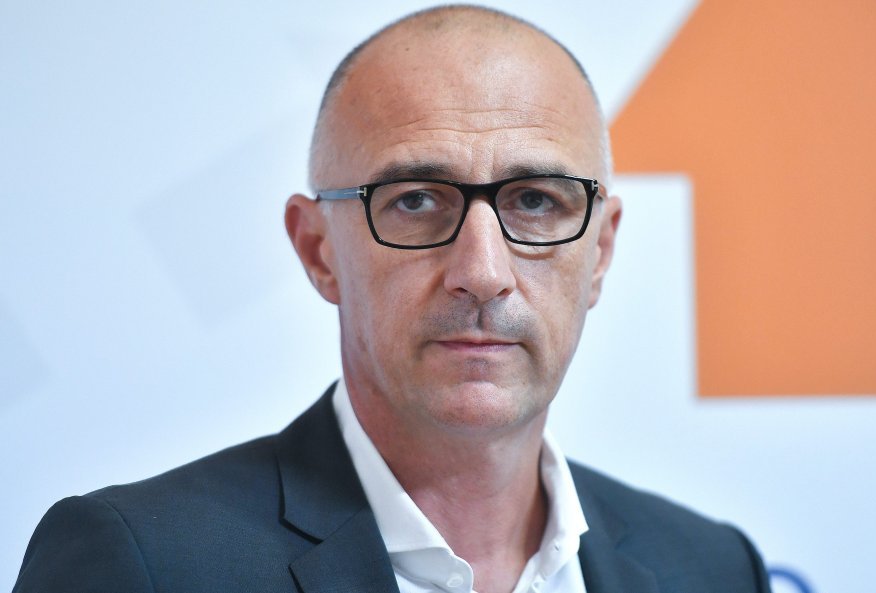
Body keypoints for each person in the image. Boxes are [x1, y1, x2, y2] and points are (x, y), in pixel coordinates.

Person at [14, 5, 770, 593]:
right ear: (318, 250)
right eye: (415, 200)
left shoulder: (710, 568)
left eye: (537, 201)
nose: (483, 272)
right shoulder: (145, 564)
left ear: (598, 251)